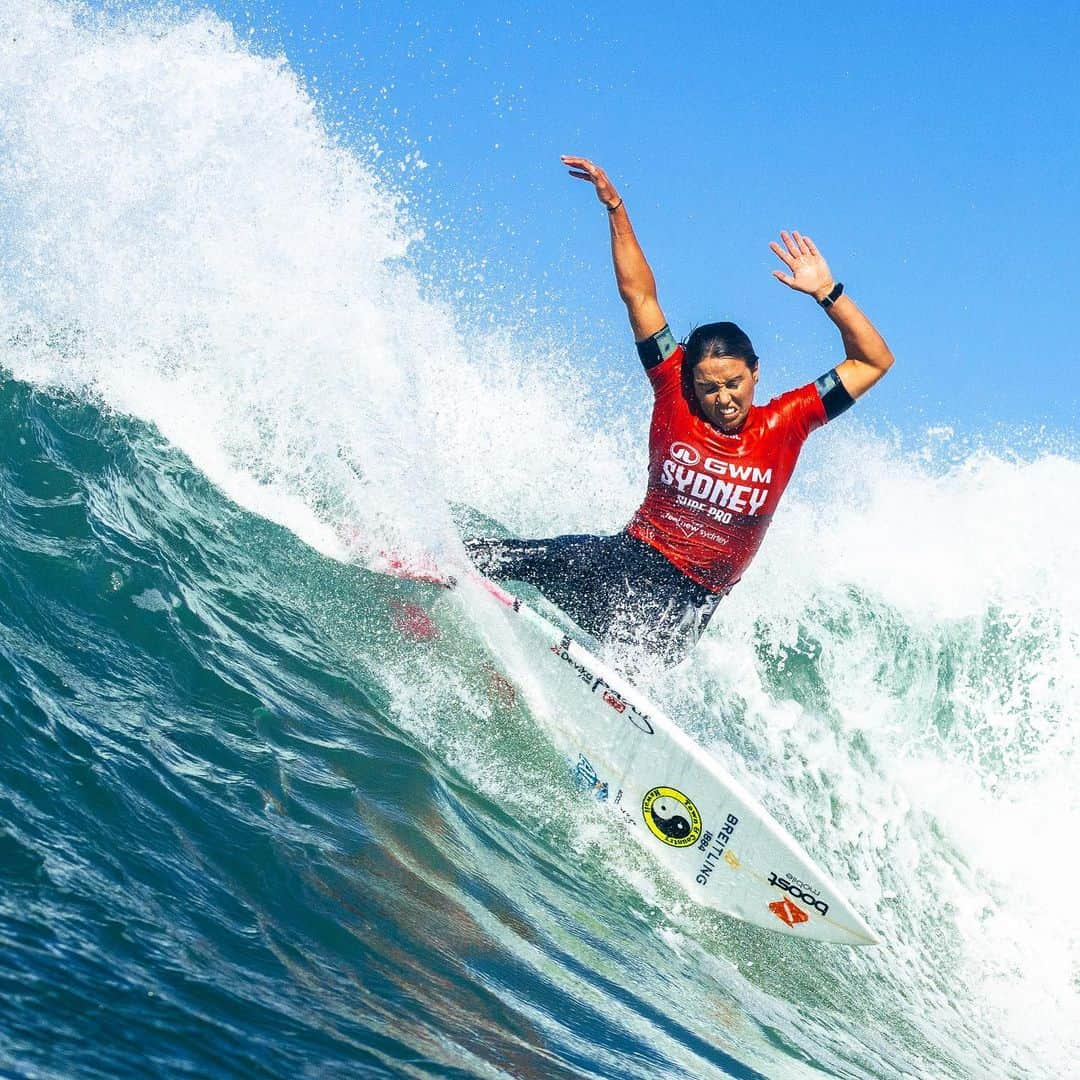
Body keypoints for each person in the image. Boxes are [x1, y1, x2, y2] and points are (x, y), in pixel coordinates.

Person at [465, 156, 894, 665]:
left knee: (639, 650)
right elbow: (639, 295)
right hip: (626, 561)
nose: (723, 398)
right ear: (690, 382)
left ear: (756, 372)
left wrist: (827, 291)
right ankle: (423, 566)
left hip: (689, 606)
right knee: (508, 558)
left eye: (734, 383)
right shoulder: (674, 392)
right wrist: (615, 208)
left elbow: (874, 359)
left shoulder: (789, 420)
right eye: (708, 388)